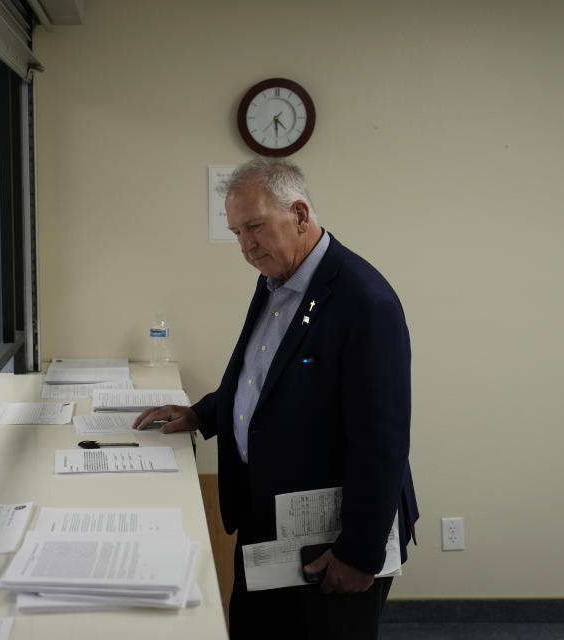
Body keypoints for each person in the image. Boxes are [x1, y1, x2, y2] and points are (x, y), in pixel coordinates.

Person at [133, 157, 418, 639]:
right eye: (237, 232)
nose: (245, 246)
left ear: (300, 215)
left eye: (255, 228)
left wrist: (359, 554)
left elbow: (382, 442)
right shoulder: (277, 280)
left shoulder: (364, 302)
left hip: (334, 538)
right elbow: (258, 378)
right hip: (269, 519)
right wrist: (201, 413)